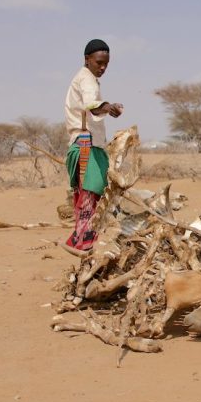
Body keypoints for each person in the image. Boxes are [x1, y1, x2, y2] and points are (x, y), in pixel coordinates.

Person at [62, 39, 123, 253]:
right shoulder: (86, 80)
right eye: (99, 62)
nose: (103, 67)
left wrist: (108, 107)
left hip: (87, 143)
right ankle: (84, 241)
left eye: (106, 63)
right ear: (87, 60)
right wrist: (107, 106)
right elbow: (91, 105)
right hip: (85, 143)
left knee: (88, 192)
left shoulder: (86, 79)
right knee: (90, 191)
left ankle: (77, 239)